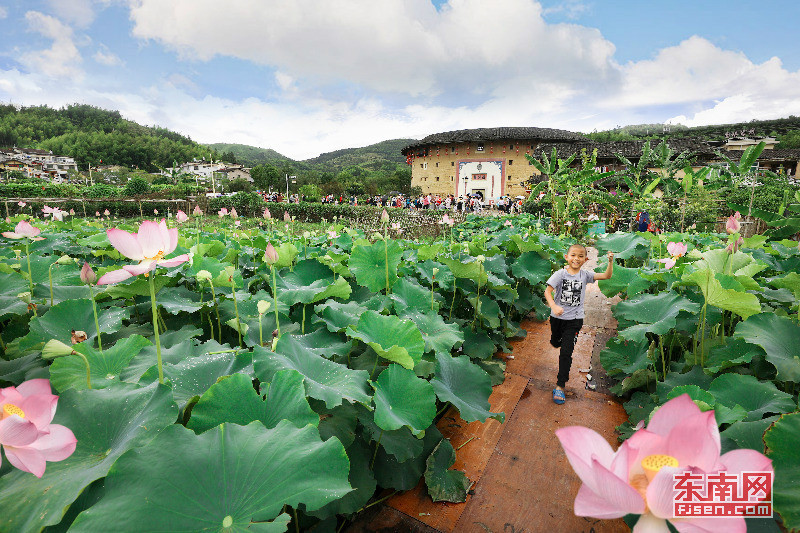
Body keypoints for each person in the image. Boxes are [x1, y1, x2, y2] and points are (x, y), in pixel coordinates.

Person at [544, 244, 614, 405]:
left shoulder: (585, 275)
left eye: (581, 256)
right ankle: (556, 340)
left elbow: (606, 276)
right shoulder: (560, 274)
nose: (577, 258)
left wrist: (610, 262)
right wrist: (553, 306)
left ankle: (560, 386)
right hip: (557, 318)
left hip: (575, 321)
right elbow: (547, 291)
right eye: (573, 255)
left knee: (566, 353)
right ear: (566, 257)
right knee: (555, 342)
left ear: (585, 259)